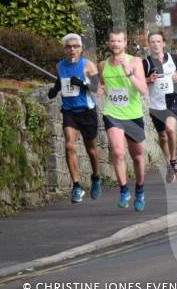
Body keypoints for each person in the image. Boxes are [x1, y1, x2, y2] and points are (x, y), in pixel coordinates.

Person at [48, 33, 101, 203]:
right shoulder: (60, 66)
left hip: (86, 111)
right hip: (69, 111)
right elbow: (61, 81)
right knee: (69, 145)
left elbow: (96, 88)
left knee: (91, 150)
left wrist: (83, 84)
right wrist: (55, 90)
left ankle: (96, 177)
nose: (72, 50)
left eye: (75, 47)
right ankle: (76, 186)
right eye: (69, 47)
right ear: (64, 49)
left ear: (80, 48)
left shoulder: (88, 66)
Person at [98, 28, 148, 211]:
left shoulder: (135, 62)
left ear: (125, 43)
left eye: (119, 41)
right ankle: (124, 190)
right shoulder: (103, 65)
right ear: (108, 43)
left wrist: (129, 74)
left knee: (137, 155)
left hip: (133, 115)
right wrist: (101, 89)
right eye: (113, 41)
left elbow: (143, 90)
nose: (116, 44)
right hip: (113, 113)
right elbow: (102, 83)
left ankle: (140, 190)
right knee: (118, 152)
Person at [143, 31, 177, 183]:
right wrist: (149, 79)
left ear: (163, 43)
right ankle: (168, 162)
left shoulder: (174, 58)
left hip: (172, 99)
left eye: (158, 41)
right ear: (149, 45)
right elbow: (140, 82)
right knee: (162, 135)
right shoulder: (146, 63)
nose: (155, 44)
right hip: (155, 104)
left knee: (170, 129)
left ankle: (173, 159)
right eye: (152, 42)